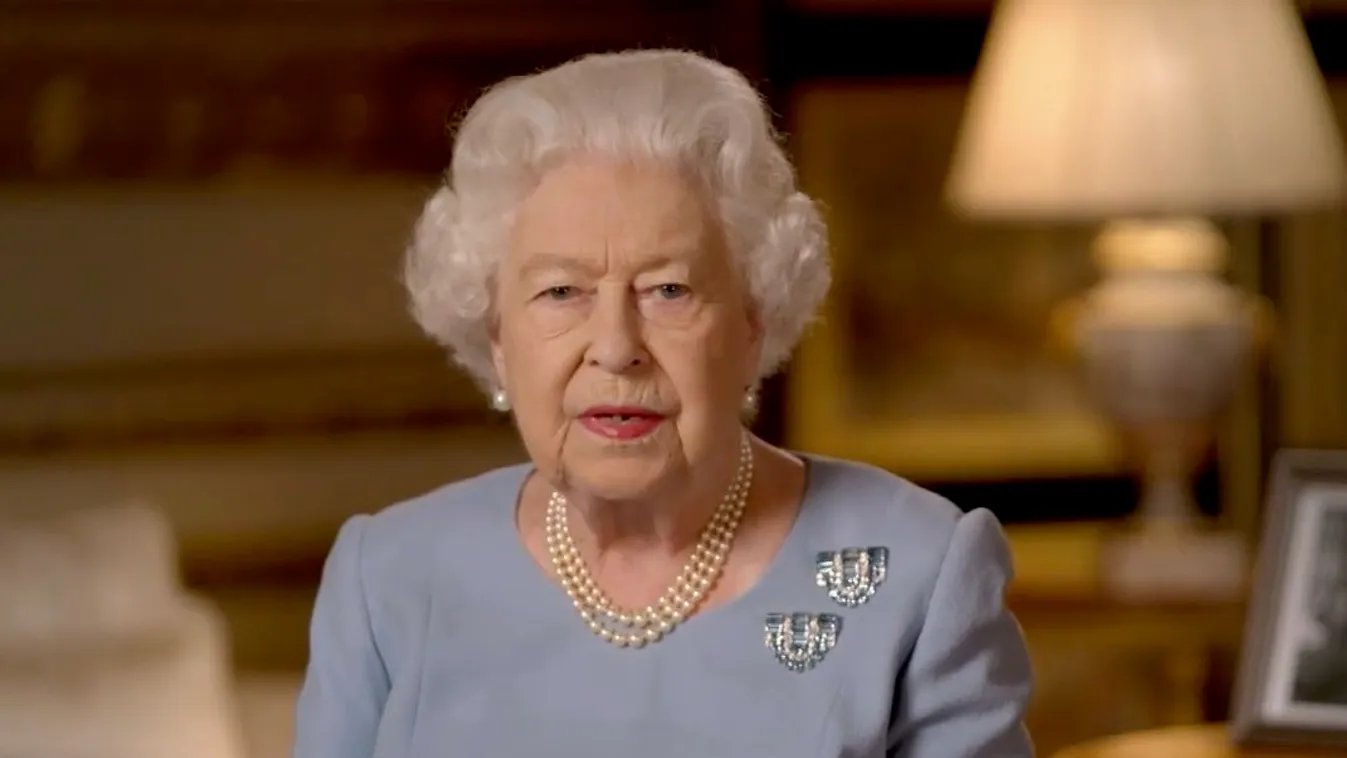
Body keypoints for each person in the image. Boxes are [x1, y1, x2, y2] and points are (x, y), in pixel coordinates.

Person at [292, 49, 1034, 758]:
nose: (615, 345)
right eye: (560, 292)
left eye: (668, 290)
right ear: (496, 339)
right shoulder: (387, 578)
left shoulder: (916, 571)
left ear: (752, 322)